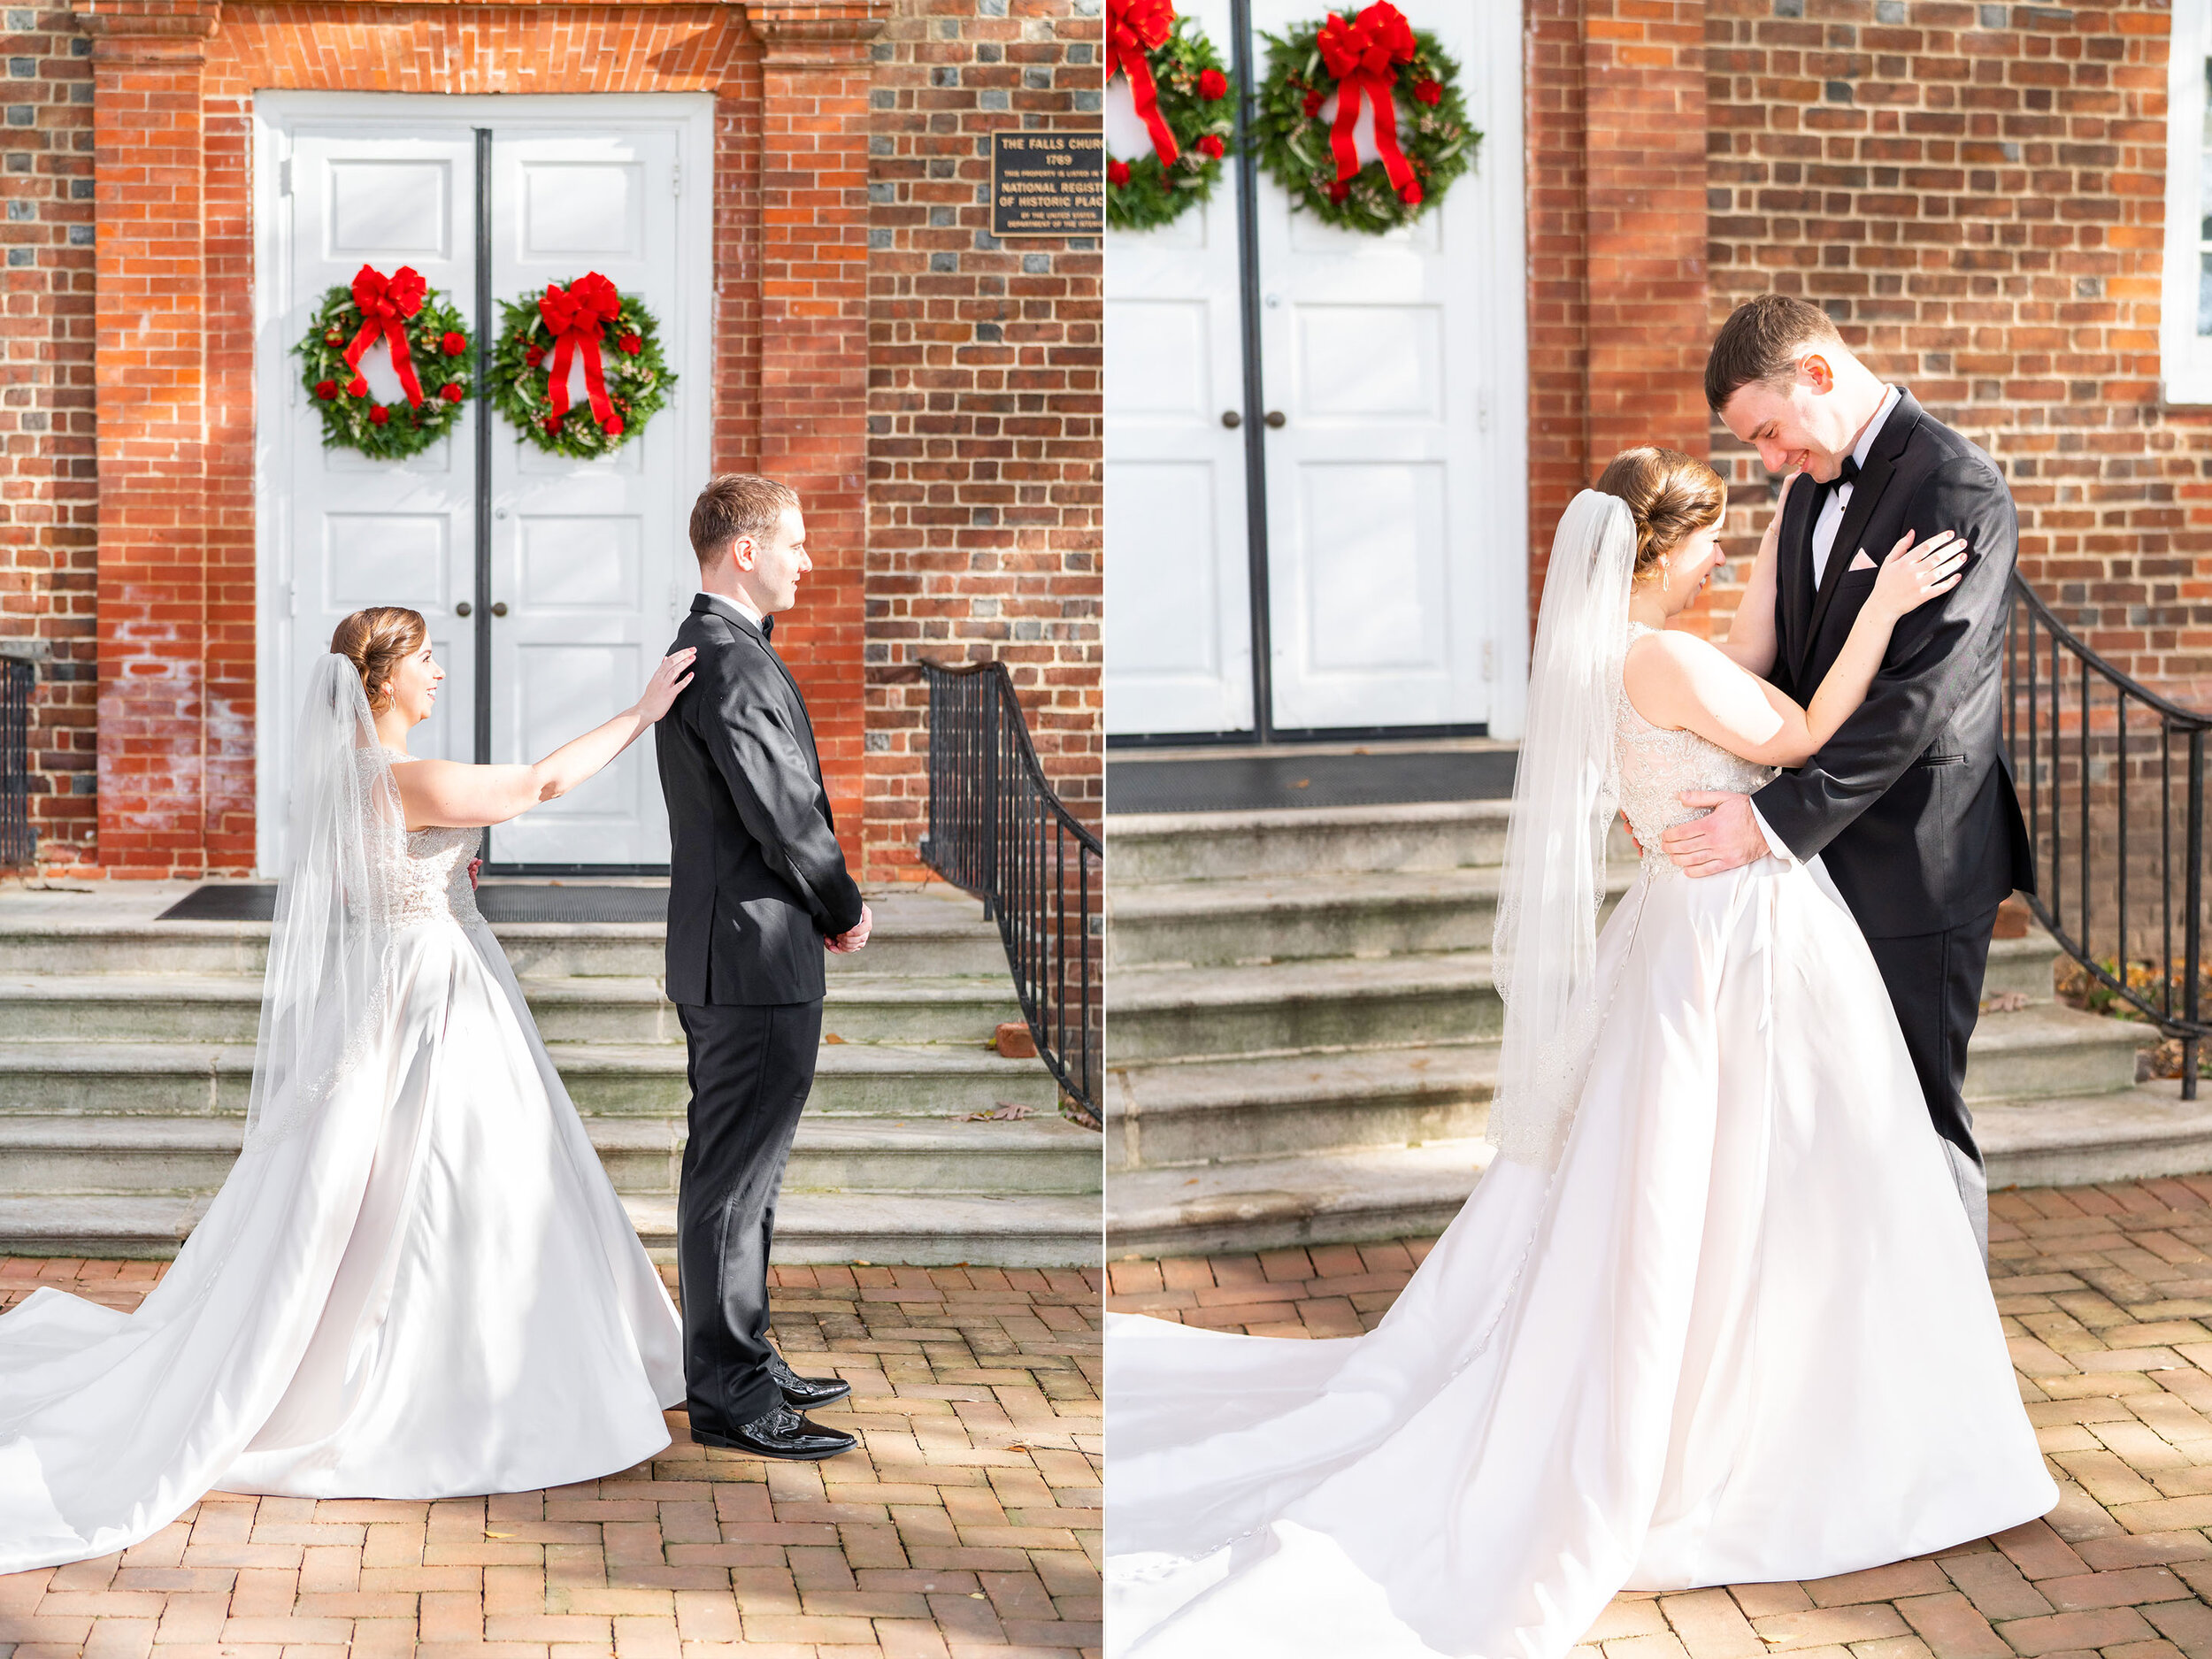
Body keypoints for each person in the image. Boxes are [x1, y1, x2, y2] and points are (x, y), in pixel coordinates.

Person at [1102, 449, 2056, 1659]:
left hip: (1671, 917)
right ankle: (1781, 1423)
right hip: (1739, 932)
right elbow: (1810, 723)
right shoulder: (1664, 660)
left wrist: (1777, 553)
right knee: (1778, 1168)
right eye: (1710, 543)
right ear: (1660, 556)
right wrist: (1878, 605)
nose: (1723, 562)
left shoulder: (1607, 664)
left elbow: (1739, 669)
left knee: (1683, 1179)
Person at [0, 606, 695, 1572]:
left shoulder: (340, 779)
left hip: (381, 987)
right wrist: (641, 711)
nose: (440, 674)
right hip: (431, 998)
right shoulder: (412, 779)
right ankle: (465, 1388)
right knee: (449, 1184)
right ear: (384, 681)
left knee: (378, 1187)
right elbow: (538, 783)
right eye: (426, 661)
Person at [1661, 295, 2035, 1258]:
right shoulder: (1803, 494)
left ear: (1818, 374)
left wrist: (1767, 823)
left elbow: (1918, 700)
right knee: (1823, 1117)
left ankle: (1952, 1370)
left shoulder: (1953, 485)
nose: (1769, 459)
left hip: (1918, 861)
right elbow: (1778, 673)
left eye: (1772, 432)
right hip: (1810, 865)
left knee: (1915, 1116)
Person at [655, 474, 872, 1462]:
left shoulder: (721, 648)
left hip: (740, 952)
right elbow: (782, 812)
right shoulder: (729, 660)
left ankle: (743, 1351)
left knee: (750, 1176)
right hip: (750, 956)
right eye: (794, 543)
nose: (807, 559)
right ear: (744, 551)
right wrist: (842, 902)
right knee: (733, 1181)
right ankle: (730, 1392)